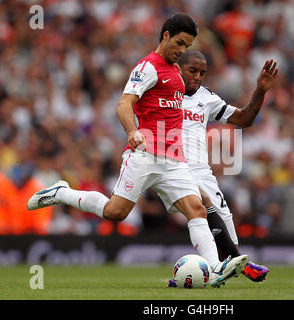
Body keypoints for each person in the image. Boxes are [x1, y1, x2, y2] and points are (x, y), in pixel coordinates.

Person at [27, 13, 248, 288]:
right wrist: (133, 131)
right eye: (179, 42)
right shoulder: (148, 67)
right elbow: (123, 104)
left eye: (187, 46)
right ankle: (62, 192)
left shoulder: (177, 74)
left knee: (197, 209)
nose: (181, 50)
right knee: (115, 212)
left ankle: (213, 269)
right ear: (165, 35)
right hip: (145, 155)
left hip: (173, 159)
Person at [165, 50, 278, 286]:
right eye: (192, 71)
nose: (197, 77)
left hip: (201, 171)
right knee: (201, 208)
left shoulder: (206, 98)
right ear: (178, 69)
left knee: (225, 221)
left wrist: (260, 90)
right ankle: (235, 267)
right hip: (171, 167)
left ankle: (218, 271)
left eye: (202, 73)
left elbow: (245, 119)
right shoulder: (163, 92)